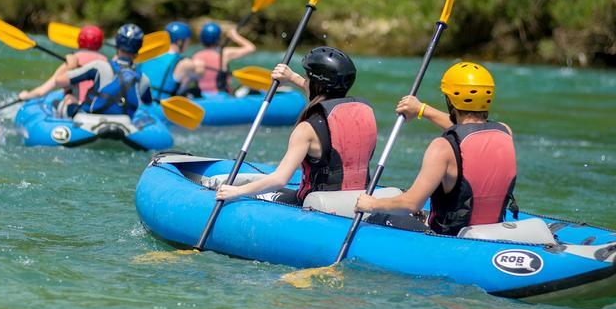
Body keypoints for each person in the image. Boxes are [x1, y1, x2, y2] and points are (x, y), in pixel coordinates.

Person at [355, 62, 517, 235]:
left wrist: (371, 204)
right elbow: (468, 132)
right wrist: (421, 109)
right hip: (491, 233)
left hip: (450, 239)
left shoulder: (442, 148)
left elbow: (411, 204)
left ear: (449, 100)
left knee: (379, 216)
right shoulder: (505, 132)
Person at [215, 47, 377, 205]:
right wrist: (292, 77)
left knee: (255, 194)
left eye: (307, 79)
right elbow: (323, 94)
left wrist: (236, 192)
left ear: (317, 85)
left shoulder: (307, 129)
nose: (304, 81)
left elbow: (279, 180)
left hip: (316, 205)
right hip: (357, 202)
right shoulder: (364, 113)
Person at [53, 24, 153, 118]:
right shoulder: (143, 79)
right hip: (124, 122)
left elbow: (59, 81)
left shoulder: (100, 66)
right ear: (139, 48)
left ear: (117, 44)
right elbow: (147, 104)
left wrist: (70, 65)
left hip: (89, 118)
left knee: (61, 101)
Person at [18, 25, 107, 112]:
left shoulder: (73, 60)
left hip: (75, 108)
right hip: (99, 108)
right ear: (100, 43)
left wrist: (26, 95)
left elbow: (42, 91)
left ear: (80, 41)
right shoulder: (106, 62)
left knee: (58, 102)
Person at [139, 21, 204, 97]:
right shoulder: (184, 63)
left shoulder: (148, 55)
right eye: (187, 42)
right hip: (159, 106)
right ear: (180, 42)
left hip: (139, 105)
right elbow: (200, 73)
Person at [192, 21, 257, 95]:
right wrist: (235, 36)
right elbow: (251, 48)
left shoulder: (196, 56)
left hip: (201, 95)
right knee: (251, 89)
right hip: (222, 95)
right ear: (219, 39)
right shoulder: (224, 53)